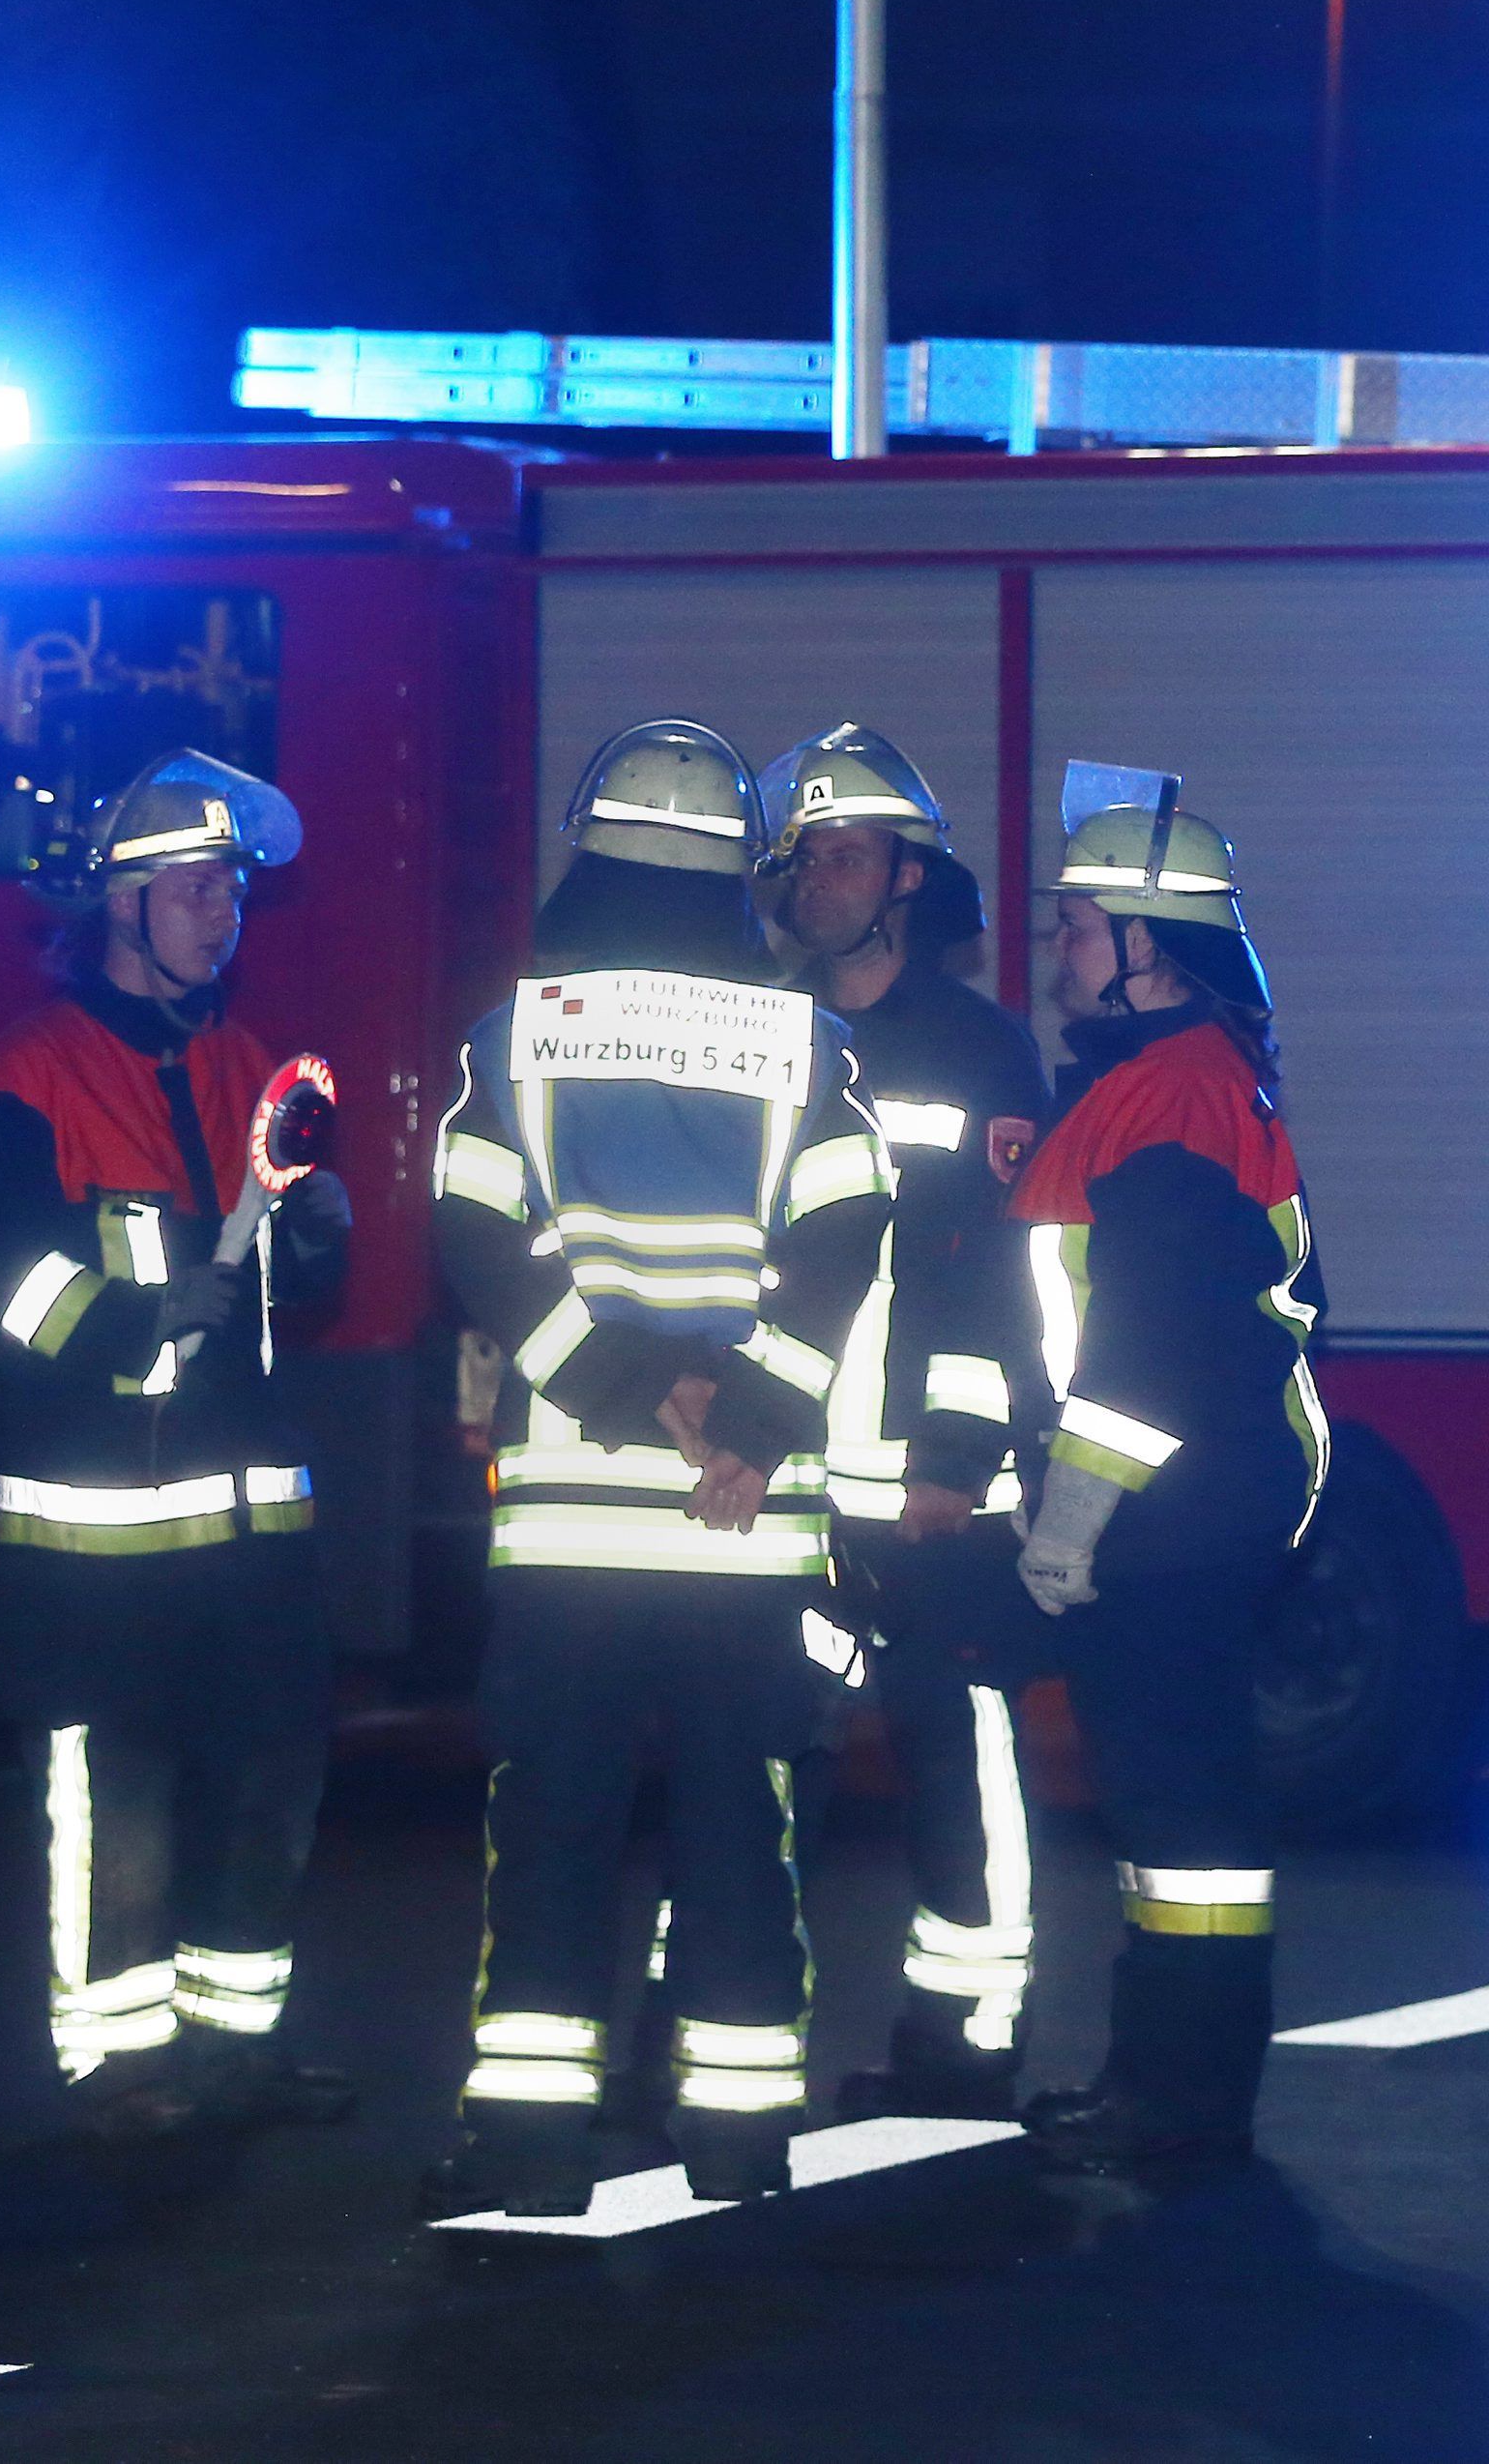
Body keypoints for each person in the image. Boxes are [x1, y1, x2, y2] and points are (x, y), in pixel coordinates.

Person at [421, 720, 894, 2216]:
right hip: (740, 1535)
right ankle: (742, 2136)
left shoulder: (516, 1033)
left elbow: (475, 1238)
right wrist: (744, 1423)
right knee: (741, 1834)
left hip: (570, 1526)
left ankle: (526, 2143)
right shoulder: (804, 1044)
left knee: (554, 1826)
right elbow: (843, 1243)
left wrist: (631, 1392)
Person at [0, 749, 356, 2140]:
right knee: (117, 1820)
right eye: (192, 889)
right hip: (92, 1543)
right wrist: (127, 1319)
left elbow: (284, 1295)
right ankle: (119, 2074)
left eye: (231, 888)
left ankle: (234, 2052)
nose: (221, 913)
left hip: (249, 1544)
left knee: (263, 1789)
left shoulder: (247, 1065)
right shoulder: (27, 1078)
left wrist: (315, 1241)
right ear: (119, 906)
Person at [1007, 776, 1328, 2173]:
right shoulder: (1174, 1086)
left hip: (1167, 1522)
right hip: (1197, 1513)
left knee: (1184, 1825)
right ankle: (1161, 2086)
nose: (1059, 947)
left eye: (1079, 925)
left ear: (1149, 943)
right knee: (1167, 1822)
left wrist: (1068, 1525)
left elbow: (1141, 1355)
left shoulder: (1171, 1102)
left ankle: (1182, 2108)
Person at [747, 724, 1059, 2123]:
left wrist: (954, 1458)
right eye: (808, 850)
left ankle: (967, 2035)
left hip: (923, 1495)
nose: (823, 875)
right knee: (749, 1744)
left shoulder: (980, 1050)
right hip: (772, 1471)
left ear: (912, 882)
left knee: (955, 1749)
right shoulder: (759, 1028)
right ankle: (716, 2016)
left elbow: (1002, 1272)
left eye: (852, 851)